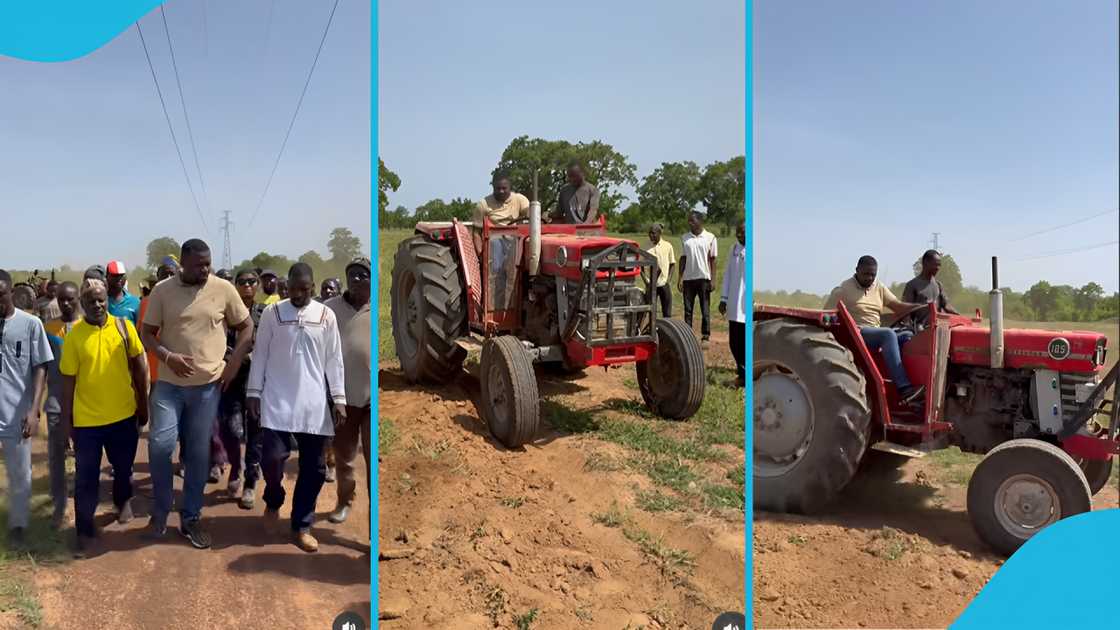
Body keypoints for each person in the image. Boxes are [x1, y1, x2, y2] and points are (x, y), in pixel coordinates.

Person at [141, 239, 253, 549]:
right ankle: (161, 512)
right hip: (169, 386)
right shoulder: (163, 291)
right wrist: (167, 357)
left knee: (198, 453)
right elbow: (147, 333)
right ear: (183, 264)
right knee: (161, 446)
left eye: (208, 264)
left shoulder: (223, 289)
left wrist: (233, 364)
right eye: (198, 265)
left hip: (207, 388)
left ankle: (190, 517)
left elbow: (246, 326)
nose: (205, 270)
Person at [247, 263, 346, 553]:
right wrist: (254, 392)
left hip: (313, 404)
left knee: (314, 469)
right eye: (294, 289)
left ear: (313, 288)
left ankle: (301, 525)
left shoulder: (326, 315)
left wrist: (338, 399)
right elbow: (261, 354)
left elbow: (334, 359)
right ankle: (274, 499)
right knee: (273, 458)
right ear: (285, 287)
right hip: (277, 401)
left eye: (305, 289)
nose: (299, 294)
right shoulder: (272, 314)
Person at [60, 280, 149, 555]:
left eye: (101, 300)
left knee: (123, 469)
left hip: (123, 416)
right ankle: (84, 530)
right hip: (87, 423)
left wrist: (143, 405)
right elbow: (68, 383)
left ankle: (123, 501)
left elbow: (139, 367)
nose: (97, 305)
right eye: (90, 302)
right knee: (86, 479)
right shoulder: (74, 336)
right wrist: (67, 424)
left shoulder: (124, 326)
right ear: (82, 305)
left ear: (106, 301)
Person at [825, 255, 927, 404]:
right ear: (857, 270)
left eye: (873, 274)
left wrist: (921, 306)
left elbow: (897, 306)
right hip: (857, 334)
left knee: (907, 335)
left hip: (875, 332)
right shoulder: (844, 289)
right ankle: (904, 389)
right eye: (866, 274)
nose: (870, 278)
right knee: (888, 334)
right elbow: (826, 315)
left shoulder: (878, 287)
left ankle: (916, 384)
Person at [0, 269, 52, 548]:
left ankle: (18, 526)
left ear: (11, 294)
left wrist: (34, 411)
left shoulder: (30, 324)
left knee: (20, 472)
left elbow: (40, 367)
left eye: (0, 296)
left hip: (17, 413)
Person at [324, 258, 371, 527]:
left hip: (371, 401)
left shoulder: (376, 310)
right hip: (342, 399)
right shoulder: (329, 310)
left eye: (362, 276)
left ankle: (372, 526)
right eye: (352, 275)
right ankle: (344, 501)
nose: (356, 280)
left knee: (373, 464)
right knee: (344, 458)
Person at [43, 281, 81, 528]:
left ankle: (84, 499)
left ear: (78, 299)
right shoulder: (47, 330)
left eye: (70, 299)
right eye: (61, 299)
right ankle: (60, 504)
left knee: (85, 455)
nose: (65, 304)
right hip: (56, 402)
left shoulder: (86, 327)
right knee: (56, 455)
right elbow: (40, 368)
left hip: (84, 404)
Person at [678, 209, 718, 345]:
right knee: (688, 310)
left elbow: (712, 260)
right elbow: (683, 258)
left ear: (700, 221)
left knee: (705, 309)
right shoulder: (685, 238)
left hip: (704, 278)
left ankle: (705, 336)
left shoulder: (710, 238)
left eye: (692, 220)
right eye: (689, 220)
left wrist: (713, 279)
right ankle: (688, 336)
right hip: (688, 279)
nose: (690, 223)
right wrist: (680, 278)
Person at [719, 220, 747, 387]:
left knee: (746, 341)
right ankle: (742, 374)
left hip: (747, 304)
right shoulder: (734, 249)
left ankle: (745, 377)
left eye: (743, 232)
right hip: (734, 302)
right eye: (738, 232)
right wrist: (723, 299)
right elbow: (728, 274)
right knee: (734, 342)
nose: (739, 235)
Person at [472, 173, 531, 253]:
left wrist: (531, 214)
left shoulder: (519, 199)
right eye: (498, 188)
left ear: (510, 187)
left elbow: (530, 213)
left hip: (515, 239)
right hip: (495, 241)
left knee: (528, 242)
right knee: (495, 244)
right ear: (493, 187)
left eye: (504, 188)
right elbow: (476, 233)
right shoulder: (483, 204)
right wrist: (480, 255)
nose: (501, 191)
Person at [902, 250, 960, 330]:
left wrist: (960, 317)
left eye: (939, 265)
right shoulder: (912, 285)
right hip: (920, 329)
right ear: (925, 263)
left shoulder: (938, 285)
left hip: (939, 327)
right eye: (935, 265)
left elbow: (946, 306)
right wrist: (910, 329)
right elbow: (905, 312)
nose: (938, 268)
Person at [644, 224, 675, 317]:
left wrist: (668, 280)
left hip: (663, 283)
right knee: (651, 312)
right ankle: (653, 329)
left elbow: (672, 264)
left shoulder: (668, 246)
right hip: (651, 285)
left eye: (653, 233)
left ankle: (665, 329)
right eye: (649, 233)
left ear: (659, 233)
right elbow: (640, 267)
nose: (650, 235)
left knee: (667, 312)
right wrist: (646, 281)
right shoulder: (646, 247)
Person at [106, 260, 141, 326]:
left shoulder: (135, 302)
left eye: (121, 275)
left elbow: (139, 330)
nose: (119, 278)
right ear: (107, 277)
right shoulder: (100, 302)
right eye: (115, 275)